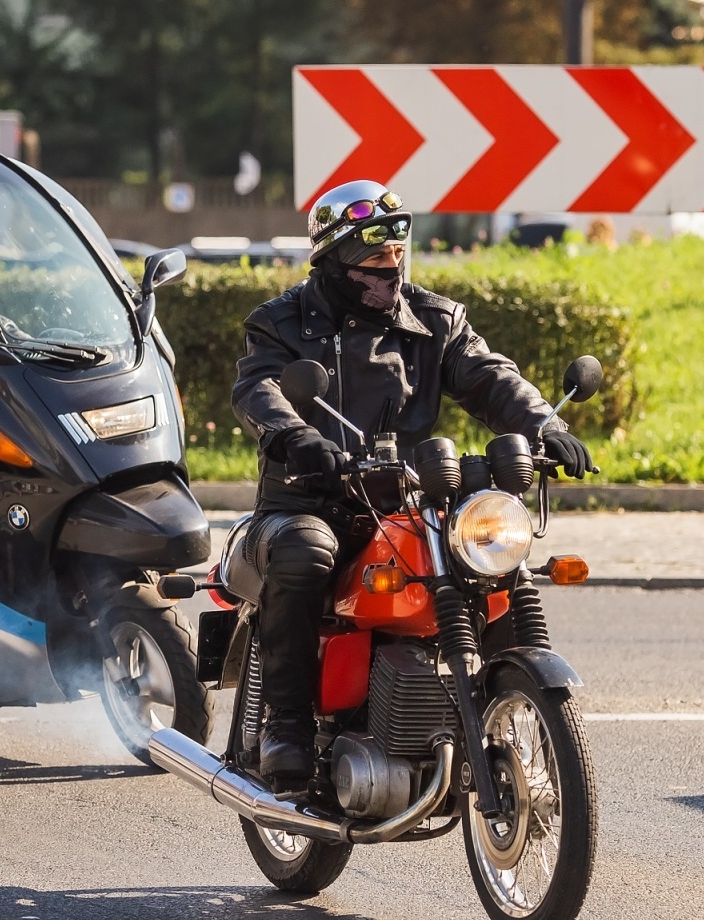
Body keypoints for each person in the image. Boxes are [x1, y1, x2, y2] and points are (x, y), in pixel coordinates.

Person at [231, 179, 593, 783]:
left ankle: (498, 702)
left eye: (397, 252)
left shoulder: (434, 320)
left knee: (491, 553)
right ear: (335, 260)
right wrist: (298, 438)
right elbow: (259, 388)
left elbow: (490, 377)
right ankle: (286, 725)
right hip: (311, 497)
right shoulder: (281, 322)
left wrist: (545, 424)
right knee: (304, 551)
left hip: (408, 500)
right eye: (375, 256)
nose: (391, 267)